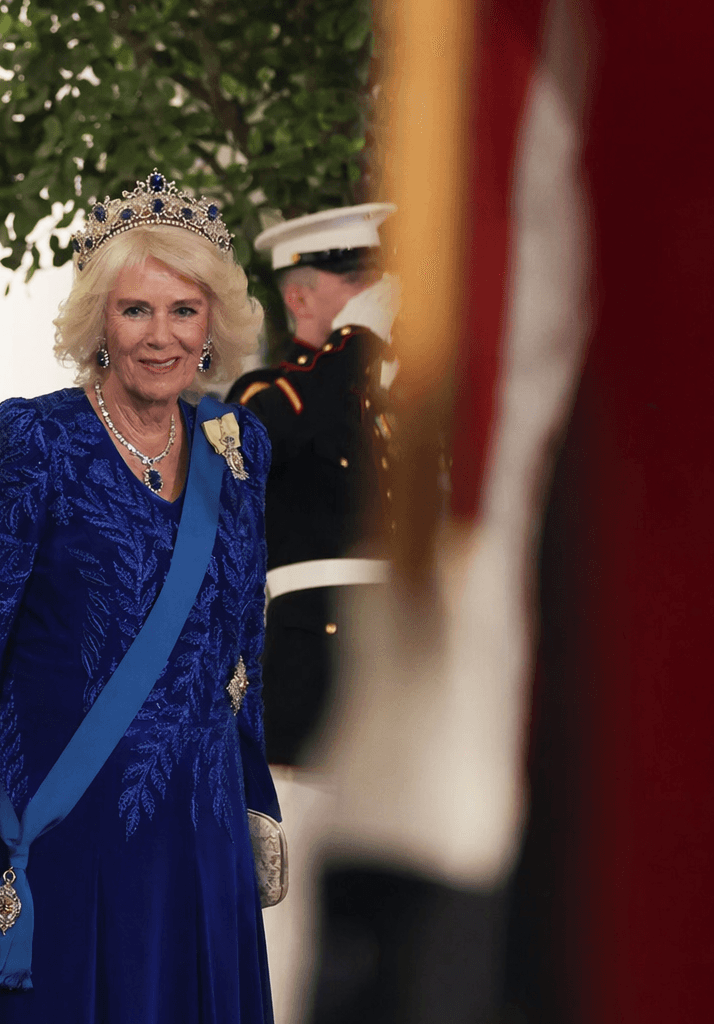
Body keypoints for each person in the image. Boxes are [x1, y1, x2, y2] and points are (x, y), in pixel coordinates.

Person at [0, 173, 277, 1024]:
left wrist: (256, 796)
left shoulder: (240, 450)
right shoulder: (33, 439)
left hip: (199, 837)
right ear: (99, 324)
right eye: (136, 311)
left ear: (213, 325)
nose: (162, 337)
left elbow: (241, 656)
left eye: (184, 310)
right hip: (59, 832)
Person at [225, 204, 400, 1024]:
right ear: (301, 298)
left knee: (400, 927)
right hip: (310, 680)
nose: (389, 298)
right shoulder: (277, 392)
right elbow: (270, 438)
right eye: (365, 283)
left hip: (406, 682)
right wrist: (359, 342)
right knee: (289, 932)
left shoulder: (412, 395)